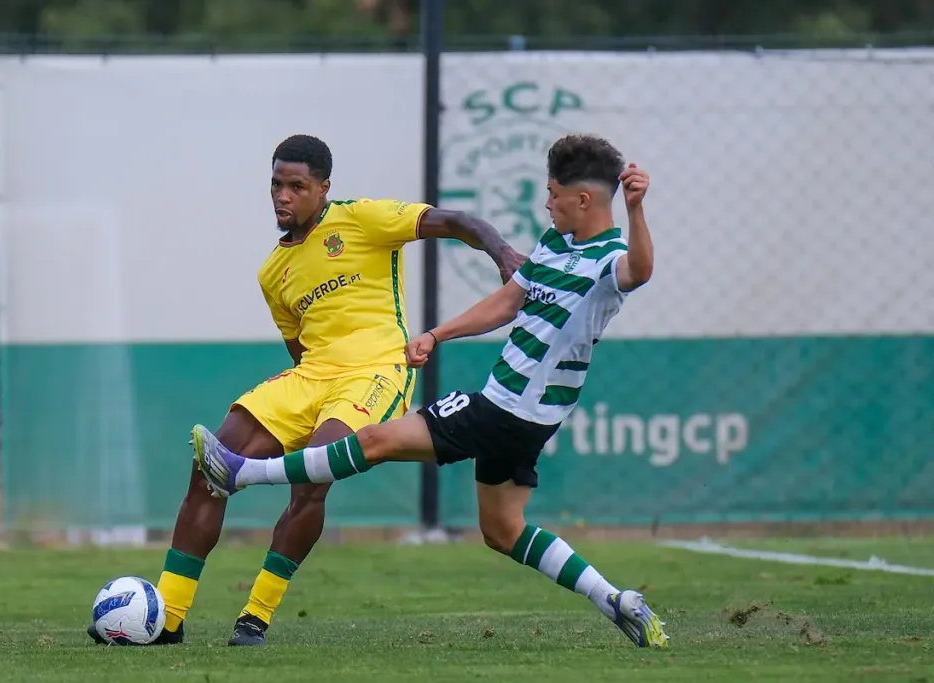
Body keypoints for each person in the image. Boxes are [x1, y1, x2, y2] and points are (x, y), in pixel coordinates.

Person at [192, 133, 669, 649]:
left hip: (505, 409)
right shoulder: (556, 245)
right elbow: (508, 302)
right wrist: (436, 335)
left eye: (552, 193)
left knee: (374, 441)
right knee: (503, 531)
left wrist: (637, 211)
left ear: (583, 200)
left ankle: (243, 472)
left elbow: (638, 270)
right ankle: (616, 600)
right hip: (529, 420)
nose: (545, 203)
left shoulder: (608, 256)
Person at [87, 134, 524, 647]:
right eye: (276, 184)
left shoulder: (362, 219)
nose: (283, 196)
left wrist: (502, 252)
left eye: (297, 186)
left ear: (323, 189)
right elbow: (299, 351)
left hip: (376, 370)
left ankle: (255, 616)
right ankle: (167, 619)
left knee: (313, 476)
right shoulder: (273, 272)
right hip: (312, 376)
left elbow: (456, 222)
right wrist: (296, 411)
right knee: (210, 465)